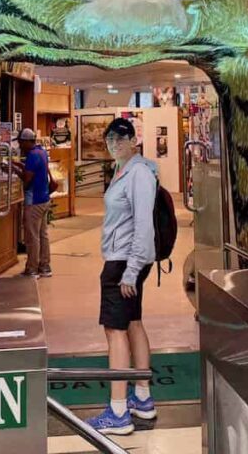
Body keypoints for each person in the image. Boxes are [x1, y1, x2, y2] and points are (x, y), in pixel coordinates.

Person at [86, 118, 158, 435]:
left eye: (120, 138)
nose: (114, 144)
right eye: (110, 139)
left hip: (123, 263)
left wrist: (130, 270)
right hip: (124, 260)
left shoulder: (139, 173)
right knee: (132, 323)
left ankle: (118, 413)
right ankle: (141, 398)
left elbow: (143, 225)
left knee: (114, 330)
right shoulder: (125, 170)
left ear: (133, 141)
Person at [12, 128, 52, 279]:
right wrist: (19, 166)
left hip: (33, 201)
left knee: (32, 236)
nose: (20, 145)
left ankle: (32, 269)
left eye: (21, 142)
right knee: (43, 235)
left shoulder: (32, 156)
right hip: (44, 199)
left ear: (28, 141)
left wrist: (15, 170)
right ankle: (45, 266)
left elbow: (27, 180)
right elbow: (33, 171)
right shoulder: (41, 152)